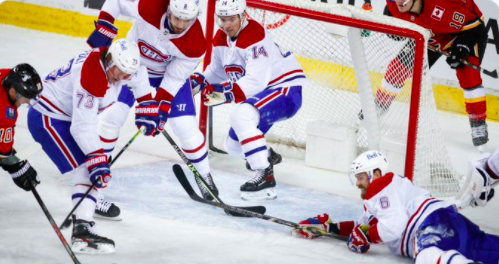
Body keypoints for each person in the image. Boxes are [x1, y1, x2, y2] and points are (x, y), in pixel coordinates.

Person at [87, 0, 219, 200]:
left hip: (166, 75)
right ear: (168, 9)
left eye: (187, 20)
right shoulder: (150, 5)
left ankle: (204, 176)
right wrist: (105, 21)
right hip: (132, 67)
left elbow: (175, 77)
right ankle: (98, 170)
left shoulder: (196, 43)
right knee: (111, 118)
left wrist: (161, 104)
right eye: (177, 18)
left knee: (186, 128)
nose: (181, 25)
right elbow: (117, 2)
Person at [27, 39, 146, 254]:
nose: (122, 77)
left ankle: (84, 222)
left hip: (65, 116)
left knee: (91, 166)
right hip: (47, 117)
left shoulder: (118, 64)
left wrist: (148, 104)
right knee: (88, 167)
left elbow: (137, 76)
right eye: (119, 71)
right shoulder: (92, 76)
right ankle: (82, 228)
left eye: (126, 73)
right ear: (110, 61)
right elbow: (82, 127)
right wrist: (97, 157)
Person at [294, 150, 499, 264]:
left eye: (361, 177)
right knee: (484, 248)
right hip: (449, 224)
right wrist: (330, 228)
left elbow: (394, 226)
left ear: (376, 174)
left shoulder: (381, 188)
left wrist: (366, 236)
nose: (357, 183)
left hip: (431, 227)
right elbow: (366, 226)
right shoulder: (388, 194)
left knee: (428, 256)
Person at [193, 0, 307, 201]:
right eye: (222, 19)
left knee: (241, 114)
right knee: (233, 146)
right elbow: (217, 72)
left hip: (285, 90)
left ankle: (265, 176)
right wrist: (198, 81)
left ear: (242, 16)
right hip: (265, 93)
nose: (226, 25)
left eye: (231, 19)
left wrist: (223, 94)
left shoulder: (254, 35)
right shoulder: (221, 38)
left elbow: (256, 81)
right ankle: (266, 156)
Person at [371, 0, 489, 150]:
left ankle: (478, 124)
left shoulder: (442, 5)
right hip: (431, 33)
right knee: (398, 68)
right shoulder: (395, 5)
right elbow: (395, 13)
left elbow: (473, 26)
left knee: (469, 76)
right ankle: (378, 107)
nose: (398, 3)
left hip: (465, 30)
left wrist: (462, 46)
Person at [0, 64, 42, 191]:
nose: (27, 102)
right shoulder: (5, 114)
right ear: (12, 91)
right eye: (25, 97)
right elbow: (3, 154)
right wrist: (17, 168)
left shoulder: (6, 75)